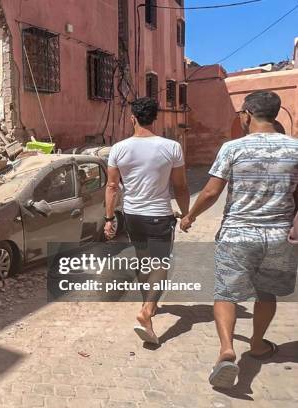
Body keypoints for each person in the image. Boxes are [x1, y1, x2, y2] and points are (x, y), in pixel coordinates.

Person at [180, 91, 298, 389]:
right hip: (278, 234)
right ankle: (257, 344)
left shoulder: (233, 148)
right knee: (266, 293)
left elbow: (210, 192)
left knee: (226, 293)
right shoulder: (295, 149)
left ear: (246, 114)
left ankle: (226, 350)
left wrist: (189, 216)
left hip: (237, 234)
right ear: (275, 114)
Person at [105, 97, 190, 345]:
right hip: (159, 215)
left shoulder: (119, 149)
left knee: (144, 262)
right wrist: (186, 213)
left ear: (133, 118)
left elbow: (112, 186)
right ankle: (147, 310)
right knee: (160, 263)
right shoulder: (171, 147)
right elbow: (181, 186)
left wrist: (109, 218)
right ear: (156, 118)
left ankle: (147, 304)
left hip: (132, 215)